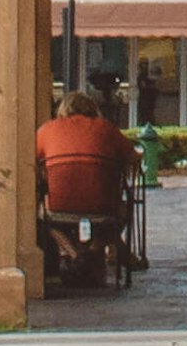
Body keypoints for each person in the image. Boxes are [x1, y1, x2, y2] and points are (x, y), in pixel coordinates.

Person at [35, 81, 132, 273]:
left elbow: (32, 157)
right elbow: (132, 156)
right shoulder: (107, 128)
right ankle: (97, 247)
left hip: (60, 204)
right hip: (103, 204)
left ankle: (74, 254)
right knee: (122, 211)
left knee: (44, 218)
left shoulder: (47, 130)